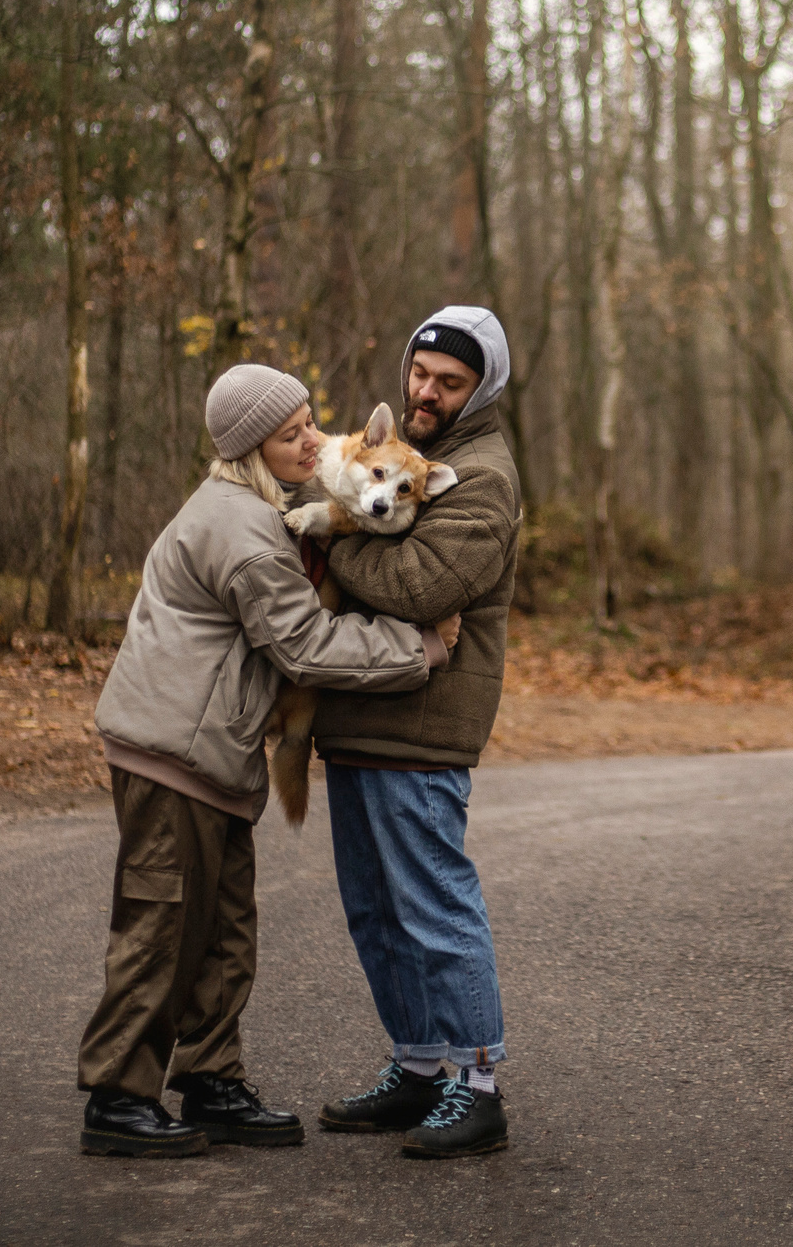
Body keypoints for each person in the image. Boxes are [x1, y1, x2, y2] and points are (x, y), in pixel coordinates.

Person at [75, 362, 456, 1159]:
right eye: (293, 433)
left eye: (312, 422)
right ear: (252, 446)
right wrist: (416, 647)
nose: (314, 440)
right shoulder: (239, 527)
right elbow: (304, 645)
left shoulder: (258, 511)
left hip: (209, 754)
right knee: (163, 922)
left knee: (223, 929)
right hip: (170, 749)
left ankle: (211, 1079)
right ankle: (117, 1094)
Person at [307, 305, 523, 1160]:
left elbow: (422, 583)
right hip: (363, 710)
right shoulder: (398, 449)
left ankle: (477, 1086)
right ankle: (420, 1064)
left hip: (424, 721)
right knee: (376, 910)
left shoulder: (482, 474)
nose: (427, 391)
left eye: (451, 381)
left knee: (433, 903)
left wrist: (333, 541)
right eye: (422, 373)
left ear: (481, 389)